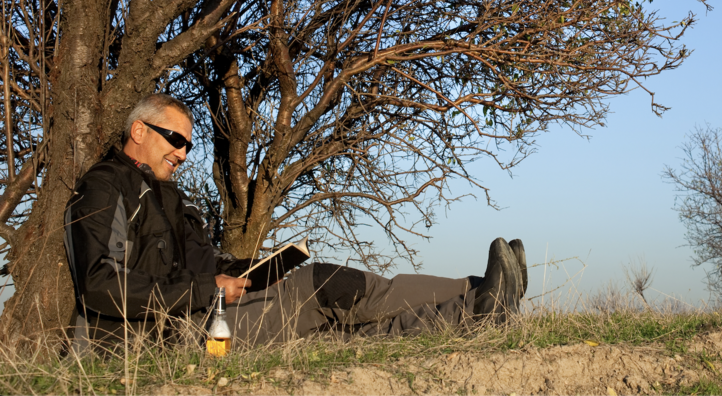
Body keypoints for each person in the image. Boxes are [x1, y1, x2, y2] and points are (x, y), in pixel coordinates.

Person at [63, 93, 526, 351]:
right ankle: (480, 292)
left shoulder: (170, 197)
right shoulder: (105, 186)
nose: (182, 153)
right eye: (174, 139)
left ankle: (479, 306)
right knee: (323, 286)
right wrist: (207, 290)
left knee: (347, 328)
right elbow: (100, 284)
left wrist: (256, 271)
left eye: (187, 144)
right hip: (159, 339)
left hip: (203, 315)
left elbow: (204, 265)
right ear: (138, 130)